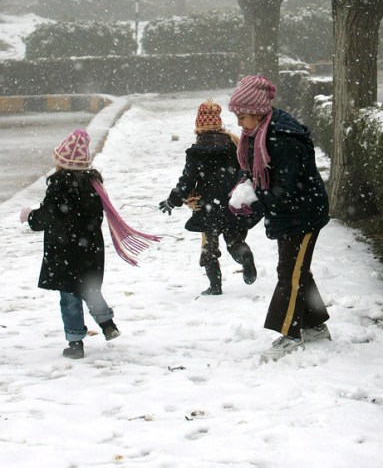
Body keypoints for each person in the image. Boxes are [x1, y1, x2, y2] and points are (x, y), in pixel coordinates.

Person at [20, 129, 160, 360]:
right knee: (90, 289)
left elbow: (48, 216)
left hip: (64, 250)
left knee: (69, 296)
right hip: (89, 249)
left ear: (62, 163)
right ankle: (107, 325)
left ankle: (75, 343)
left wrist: (30, 216)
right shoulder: (93, 185)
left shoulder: (59, 185)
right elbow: (93, 217)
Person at [227, 75, 330, 363]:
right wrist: (242, 190)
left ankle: (290, 333)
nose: (238, 123)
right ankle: (316, 326)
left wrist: (255, 207)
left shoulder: (284, 138)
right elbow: (250, 171)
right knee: (297, 271)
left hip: (304, 214)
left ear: (257, 111)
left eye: (242, 116)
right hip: (288, 213)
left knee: (290, 274)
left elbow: (285, 186)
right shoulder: (255, 134)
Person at [159, 99, 257, 296]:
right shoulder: (232, 145)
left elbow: (187, 181)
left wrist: (172, 200)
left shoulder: (196, 152)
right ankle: (244, 256)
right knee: (234, 240)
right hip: (232, 203)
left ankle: (215, 286)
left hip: (207, 206)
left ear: (198, 127)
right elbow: (244, 169)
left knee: (209, 248)